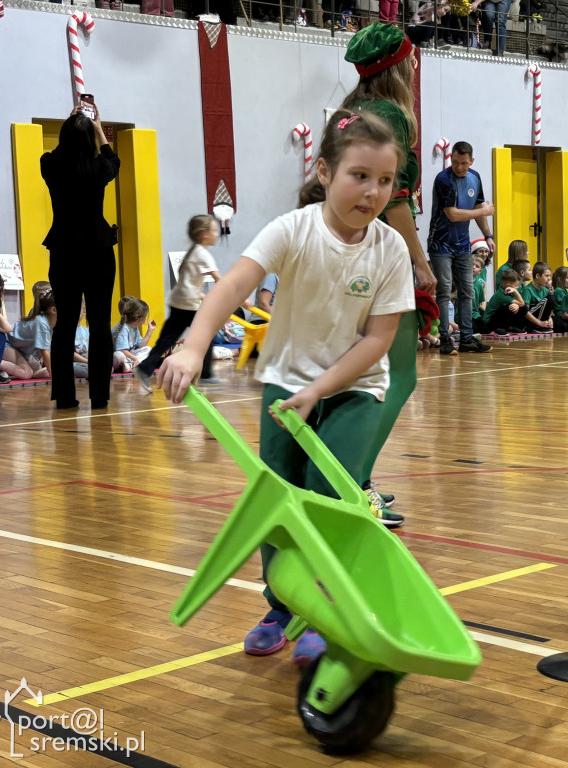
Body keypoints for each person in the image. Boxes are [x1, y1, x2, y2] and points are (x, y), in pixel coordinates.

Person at [158, 110, 414, 662]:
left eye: (385, 180)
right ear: (324, 172)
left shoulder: (391, 248)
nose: (372, 192)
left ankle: (328, 607)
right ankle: (281, 604)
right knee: (279, 499)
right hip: (284, 384)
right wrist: (194, 345)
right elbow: (233, 284)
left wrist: (320, 389)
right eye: (359, 176)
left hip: (354, 388)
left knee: (328, 496)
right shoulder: (293, 230)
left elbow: (377, 340)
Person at [341, 24, 436, 521]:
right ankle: (353, 485)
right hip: (378, 255)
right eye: (409, 59)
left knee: (357, 378)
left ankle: (349, 478)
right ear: (398, 66)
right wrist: (419, 261)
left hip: (340, 253)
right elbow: (395, 199)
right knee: (398, 377)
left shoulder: (348, 113)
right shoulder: (391, 117)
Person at [41, 104, 121, 411]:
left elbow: (54, 154)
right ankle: (100, 396)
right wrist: (98, 129)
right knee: (100, 322)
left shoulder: (50, 164)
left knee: (65, 323)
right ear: (91, 139)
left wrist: (71, 122)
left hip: (64, 250)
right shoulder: (100, 167)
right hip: (98, 249)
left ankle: (64, 396)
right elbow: (114, 160)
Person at [136, 215, 223, 392]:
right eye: (214, 230)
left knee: (166, 340)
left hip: (178, 303)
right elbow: (221, 282)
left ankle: (144, 369)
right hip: (189, 306)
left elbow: (187, 282)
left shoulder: (192, 251)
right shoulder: (203, 254)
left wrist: (201, 296)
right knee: (208, 334)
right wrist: (242, 299)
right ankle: (205, 374)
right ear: (205, 233)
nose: (216, 234)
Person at [426, 141, 494, 356]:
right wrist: (483, 212)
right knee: (444, 290)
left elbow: (477, 207)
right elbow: (453, 214)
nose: (459, 167)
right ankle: (445, 339)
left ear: (471, 161)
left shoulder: (475, 177)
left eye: (464, 163)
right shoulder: (443, 179)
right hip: (441, 244)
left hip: (463, 244)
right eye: (455, 162)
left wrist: (488, 235)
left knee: (467, 291)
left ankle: (467, 339)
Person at [6, 289, 58, 380]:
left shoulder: (52, 322)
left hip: (22, 350)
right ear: (53, 310)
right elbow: (44, 351)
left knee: (40, 370)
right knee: (26, 373)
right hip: (6, 342)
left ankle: (8, 369)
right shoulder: (41, 322)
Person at [111, 297, 155, 373]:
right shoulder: (123, 328)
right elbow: (122, 350)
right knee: (118, 355)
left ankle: (129, 365)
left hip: (129, 356)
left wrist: (150, 330)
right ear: (140, 319)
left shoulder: (134, 327)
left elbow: (140, 346)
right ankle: (130, 365)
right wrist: (135, 359)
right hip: (119, 355)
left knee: (148, 349)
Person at [483, 268, 525, 334]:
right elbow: (522, 303)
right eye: (516, 285)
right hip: (489, 322)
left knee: (524, 308)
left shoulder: (510, 290)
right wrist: (515, 291)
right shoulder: (502, 294)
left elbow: (522, 304)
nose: (517, 287)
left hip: (497, 318)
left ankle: (510, 327)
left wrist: (517, 305)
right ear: (508, 285)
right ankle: (498, 328)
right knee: (510, 306)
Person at [519, 262, 555, 333]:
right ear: (538, 276)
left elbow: (546, 309)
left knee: (561, 325)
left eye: (550, 276)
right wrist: (539, 323)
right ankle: (537, 327)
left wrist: (549, 319)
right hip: (531, 320)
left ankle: (545, 324)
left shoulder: (545, 290)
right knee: (551, 298)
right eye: (547, 276)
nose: (549, 279)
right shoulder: (528, 290)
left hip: (541, 317)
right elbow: (525, 312)